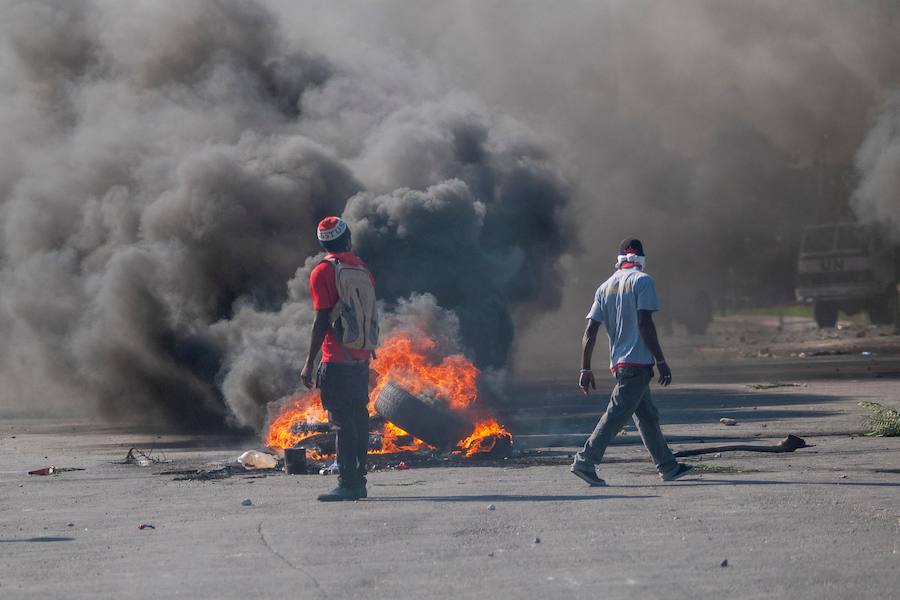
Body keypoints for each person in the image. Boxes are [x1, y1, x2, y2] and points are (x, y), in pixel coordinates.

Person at [571, 238, 693, 486]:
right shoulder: (643, 281)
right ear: (641, 259)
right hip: (638, 364)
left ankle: (668, 467)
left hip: (621, 365)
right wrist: (660, 359)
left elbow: (590, 331)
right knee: (616, 415)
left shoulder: (604, 287)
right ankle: (585, 461)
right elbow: (645, 323)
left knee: (647, 417)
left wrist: (585, 367)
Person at [301, 216, 376, 501]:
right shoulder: (361, 268)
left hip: (337, 358)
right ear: (348, 239)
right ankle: (360, 480)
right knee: (358, 418)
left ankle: (348, 484)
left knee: (342, 422)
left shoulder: (323, 271)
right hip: (360, 356)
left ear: (323, 243)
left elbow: (322, 320)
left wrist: (310, 361)